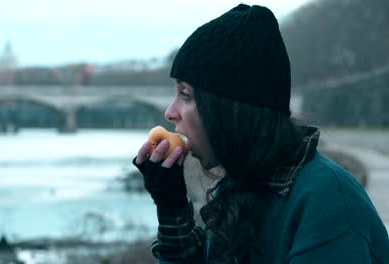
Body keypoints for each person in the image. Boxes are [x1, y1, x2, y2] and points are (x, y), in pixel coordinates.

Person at [132, 3, 389, 264]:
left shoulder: (328, 205)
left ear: (230, 107)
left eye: (185, 94)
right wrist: (172, 208)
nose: (169, 112)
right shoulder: (241, 189)